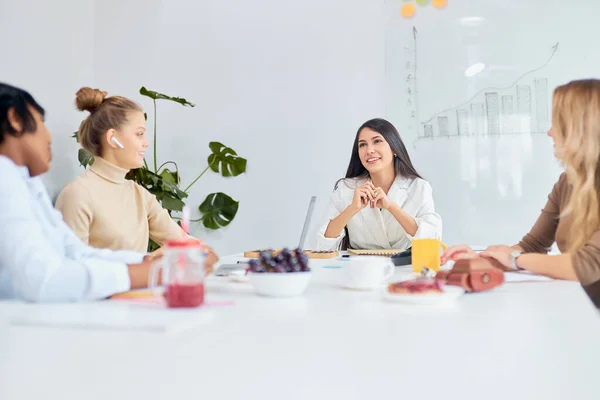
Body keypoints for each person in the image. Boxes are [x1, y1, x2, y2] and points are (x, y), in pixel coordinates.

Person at [442, 79, 600, 307]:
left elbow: (586, 265)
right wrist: (482, 260)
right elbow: (533, 245)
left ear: (579, 129)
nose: (549, 132)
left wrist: (516, 259)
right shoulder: (567, 182)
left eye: (557, 123)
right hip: (580, 304)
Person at [0, 82, 157, 301]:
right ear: (15, 119)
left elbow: (73, 252)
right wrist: (151, 272)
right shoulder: (5, 178)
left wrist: (148, 263)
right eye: (41, 122)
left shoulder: (26, 182)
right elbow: (45, 282)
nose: (49, 136)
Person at [55, 87, 217, 271]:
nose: (146, 142)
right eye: (139, 133)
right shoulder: (77, 195)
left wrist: (194, 251)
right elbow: (71, 269)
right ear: (112, 138)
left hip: (135, 296)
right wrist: (148, 264)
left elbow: (185, 243)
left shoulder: (139, 194)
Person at [315, 118, 442, 250]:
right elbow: (323, 245)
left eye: (377, 141)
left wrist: (391, 206)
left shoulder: (419, 187)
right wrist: (352, 208)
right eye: (362, 145)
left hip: (404, 268)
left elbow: (431, 239)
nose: (369, 150)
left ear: (394, 148)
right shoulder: (345, 188)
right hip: (358, 268)